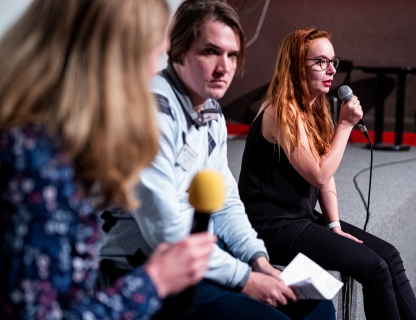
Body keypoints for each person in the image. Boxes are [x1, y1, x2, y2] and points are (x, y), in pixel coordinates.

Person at [99, 1, 335, 319]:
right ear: (179, 50)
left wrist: (258, 260)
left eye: (232, 55)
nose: (224, 67)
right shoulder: (151, 115)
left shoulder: (211, 112)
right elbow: (167, 232)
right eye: (211, 52)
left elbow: (226, 202)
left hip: (208, 258)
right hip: (151, 271)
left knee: (318, 308)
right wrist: (244, 279)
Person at [0, 0, 216, 319]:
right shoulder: (36, 163)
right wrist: (155, 280)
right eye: (151, 56)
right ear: (113, 62)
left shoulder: (42, 145)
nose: (150, 75)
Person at [238, 28, 416, 320]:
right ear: (298, 66)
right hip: (270, 227)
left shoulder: (314, 108)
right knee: (373, 268)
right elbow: (319, 174)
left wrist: (334, 224)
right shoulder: (281, 111)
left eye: (333, 60)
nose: (332, 69)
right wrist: (345, 127)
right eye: (321, 62)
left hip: (300, 218)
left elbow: (328, 175)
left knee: (389, 256)